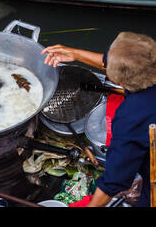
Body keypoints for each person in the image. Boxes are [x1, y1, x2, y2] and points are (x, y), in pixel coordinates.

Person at [41, 32, 156, 207]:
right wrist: (76, 54)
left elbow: (115, 180)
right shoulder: (150, 65)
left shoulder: (132, 116)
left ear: (119, 81)